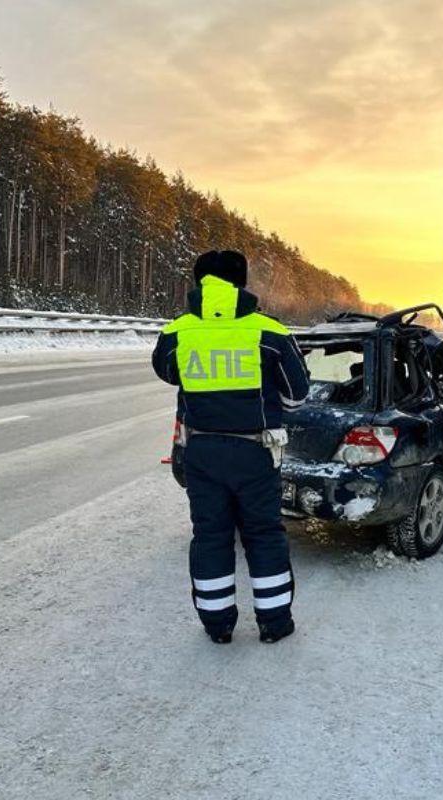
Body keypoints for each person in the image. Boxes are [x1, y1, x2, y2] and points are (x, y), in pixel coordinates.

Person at [151, 250, 310, 645]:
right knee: (263, 534)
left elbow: (167, 371)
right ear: (241, 284)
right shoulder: (270, 333)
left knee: (210, 535)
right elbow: (298, 395)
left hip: (202, 451)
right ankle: (274, 623)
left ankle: (217, 625)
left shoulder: (177, 332)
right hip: (255, 451)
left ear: (199, 283)